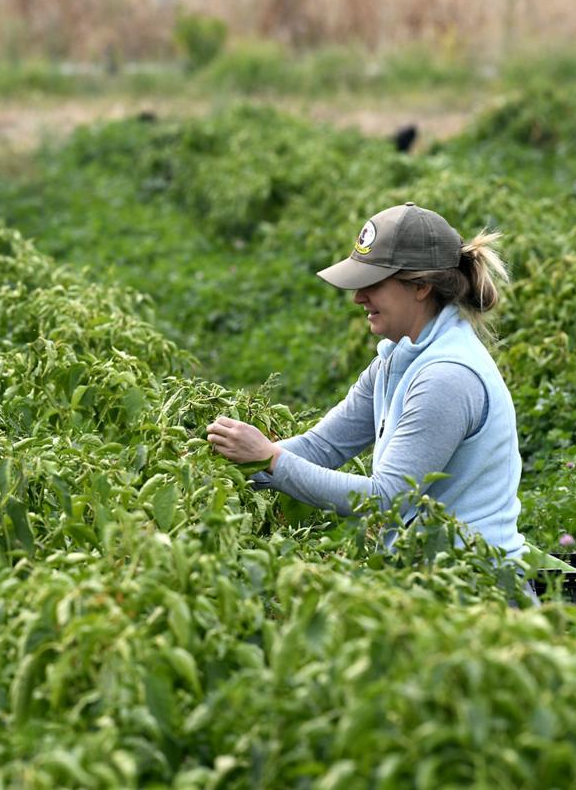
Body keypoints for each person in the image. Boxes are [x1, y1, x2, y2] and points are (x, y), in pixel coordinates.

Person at [207, 202, 525, 558]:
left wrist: (271, 460)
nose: (359, 297)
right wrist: (224, 465)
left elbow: (384, 498)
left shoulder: (446, 377)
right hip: (434, 579)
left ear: (420, 287)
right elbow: (322, 447)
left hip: (477, 588)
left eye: (372, 284)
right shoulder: (396, 361)